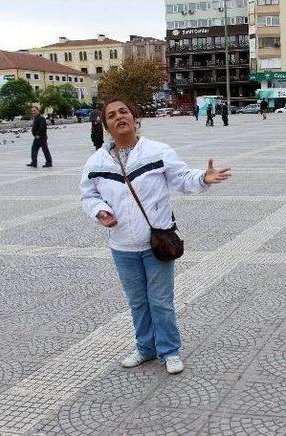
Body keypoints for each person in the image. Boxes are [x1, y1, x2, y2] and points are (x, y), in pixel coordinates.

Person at [79, 98, 231, 374]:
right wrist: (101, 211)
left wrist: (202, 178)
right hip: (122, 246)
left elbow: (182, 177)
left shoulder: (157, 151)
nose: (119, 117)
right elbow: (88, 195)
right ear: (106, 125)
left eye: (124, 111)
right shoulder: (96, 161)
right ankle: (145, 348)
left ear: (134, 117)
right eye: (112, 115)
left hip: (156, 242)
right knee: (137, 302)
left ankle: (169, 351)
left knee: (160, 301)